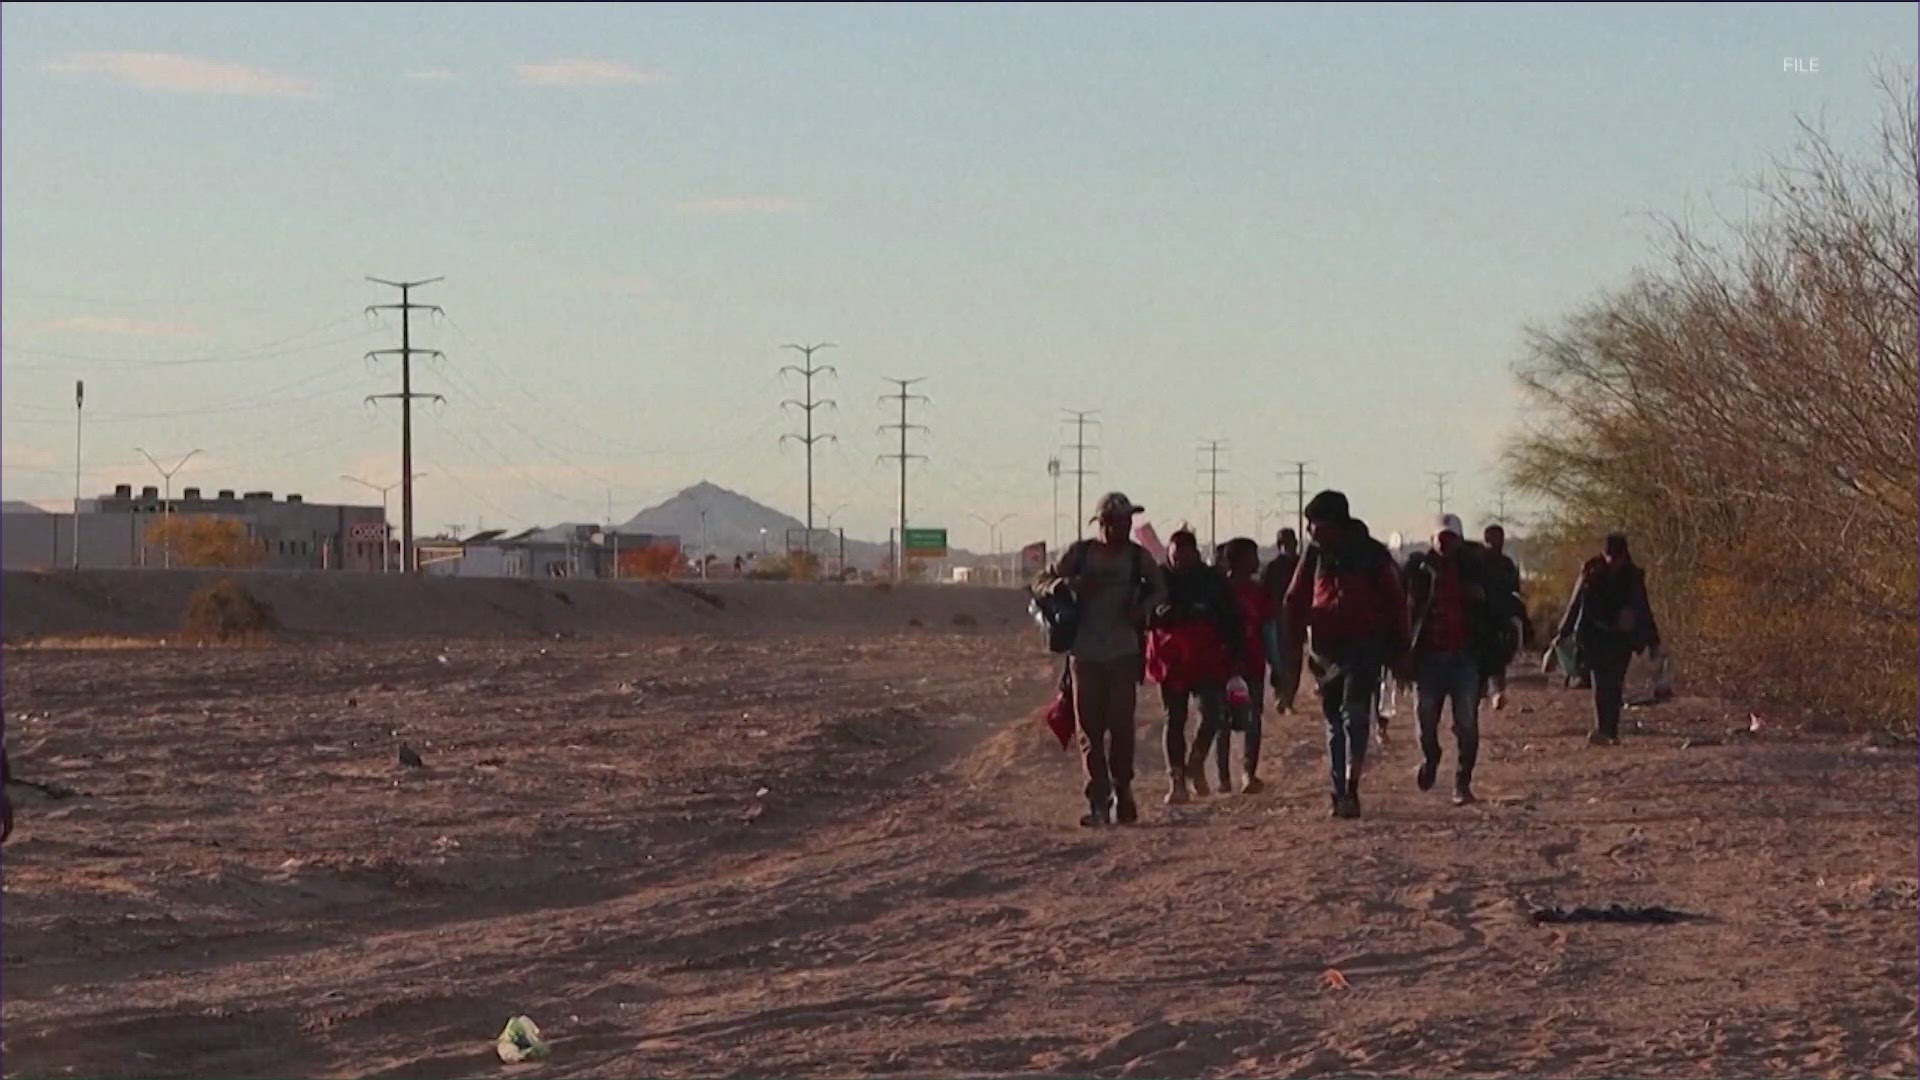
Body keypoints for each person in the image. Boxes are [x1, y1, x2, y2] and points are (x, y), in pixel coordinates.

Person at [1282, 491, 1409, 819]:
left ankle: (1351, 786)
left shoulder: (1372, 554)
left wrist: (1399, 648)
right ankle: (1338, 790)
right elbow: (1295, 598)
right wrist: (1293, 641)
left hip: (1365, 647)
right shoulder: (1314, 555)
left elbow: (1396, 602)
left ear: (1335, 524)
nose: (1310, 531)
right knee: (1333, 722)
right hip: (1325, 651)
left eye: (1316, 524)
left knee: (1355, 718)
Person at [1047, 493, 1167, 825]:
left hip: (1124, 652)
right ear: (1102, 523)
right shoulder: (1080, 554)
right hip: (1085, 653)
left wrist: (1142, 608)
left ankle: (1123, 791)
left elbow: (1160, 589)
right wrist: (1068, 584)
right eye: (1118, 521)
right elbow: (1042, 582)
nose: (1125, 527)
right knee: (1090, 731)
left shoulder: (1137, 557)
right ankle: (1097, 800)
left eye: (1129, 521)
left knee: (1122, 728)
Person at [1403, 514, 1493, 805]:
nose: (1445, 543)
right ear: (1432, 540)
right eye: (1440, 538)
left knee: (1466, 721)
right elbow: (1403, 611)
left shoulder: (1475, 569)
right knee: (1425, 720)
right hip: (1428, 658)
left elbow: (1496, 611)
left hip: (1464, 659)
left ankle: (1462, 783)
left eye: (1450, 538)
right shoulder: (1418, 571)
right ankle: (1431, 758)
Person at [1147, 528, 1243, 803]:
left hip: (1207, 659)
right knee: (1174, 719)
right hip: (1171, 660)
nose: (1179, 563)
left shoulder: (1211, 579)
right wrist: (1159, 614)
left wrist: (1235, 654)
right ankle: (1176, 780)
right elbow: (1143, 612)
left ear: (1195, 554)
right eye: (1174, 557)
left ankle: (1196, 761)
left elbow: (1231, 617)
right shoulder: (1158, 578)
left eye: (1184, 557)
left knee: (1211, 715)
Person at [1551, 533, 1660, 745]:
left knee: (1615, 683)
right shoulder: (1591, 572)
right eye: (1608, 555)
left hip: (1621, 639)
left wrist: (1653, 640)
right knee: (1600, 683)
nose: (1611, 560)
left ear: (1623, 556)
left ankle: (1611, 730)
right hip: (1594, 636)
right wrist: (1561, 635)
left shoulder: (1632, 576)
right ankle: (1603, 729)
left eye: (1615, 556)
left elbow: (1643, 608)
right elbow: (1575, 605)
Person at [1220, 537, 1278, 794]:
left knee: (1252, 719)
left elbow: (1268, 629)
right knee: (1223, 720)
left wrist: (1275, 663)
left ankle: (1247, 773)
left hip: (1252, 663)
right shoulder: (1219, 590)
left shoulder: (1258, 591)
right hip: (1222, 665)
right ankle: (1223, 777)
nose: (1256, 562)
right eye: (1252, 556)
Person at [1479, 524, 1529, 710]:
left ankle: (1494, 692)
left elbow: (1515, 591)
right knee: (1491, 659)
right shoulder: (1483, 562)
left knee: (1497, 658)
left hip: (1498, 618)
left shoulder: (1505, 564)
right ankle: (1491, 692)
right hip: (1484, 618)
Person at [1260, 529, 1303, 713]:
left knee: (1295, 661)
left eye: (1292, 542)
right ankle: (1280, 695)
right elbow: (1264, 593)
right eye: (1286, 543)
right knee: (1279, 661)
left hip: (1297, 619)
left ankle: (1289, 698)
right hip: (1276, 619)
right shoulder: (1272, 568)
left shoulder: (1301, 565)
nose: (1290, 546)